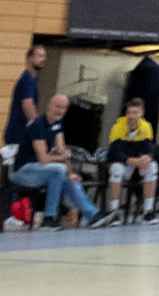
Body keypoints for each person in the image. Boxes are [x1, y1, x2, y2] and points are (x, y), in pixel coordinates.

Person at [9, 93, 108, 229]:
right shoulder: (38, 125)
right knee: (58, 169)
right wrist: (62, 160)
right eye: (57, 107)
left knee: (69, 178)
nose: (60, 111)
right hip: (23, 171)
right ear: (49, 106)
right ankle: (49, 216)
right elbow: (43, 159)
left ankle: (92, 215)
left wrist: (70, 173)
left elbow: (63, 151)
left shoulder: (57, 124)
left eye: (63, 108)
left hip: (44, 171)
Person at [104, 97, 159, 222]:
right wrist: (134, 161)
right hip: (124, 163)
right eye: (129, 112)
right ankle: (114, 212)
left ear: (141, 114)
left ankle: (148, 211)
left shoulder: (146, 127)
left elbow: (150, 148)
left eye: (135, 113)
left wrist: (147, 158)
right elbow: (115, 154)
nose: (132, 116)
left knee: (153, 167)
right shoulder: (117, 127)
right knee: (116, 170)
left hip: (139, 165)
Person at [3, 43, 45, 164]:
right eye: (39, 56)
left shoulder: (31, 79)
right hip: (19, 134)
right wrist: (37, 127)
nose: (43, 59)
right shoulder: (28, 80)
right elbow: (27, 103)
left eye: (44, 56)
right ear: (29, 58)